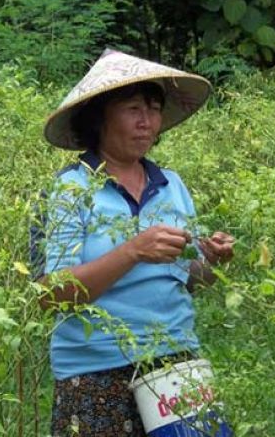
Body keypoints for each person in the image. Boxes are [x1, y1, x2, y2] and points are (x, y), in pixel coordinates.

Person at [37, 49, 235, 436]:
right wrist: (132, 251)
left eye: (154, 109)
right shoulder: (70, 189)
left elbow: (188, 278)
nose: (147, 122)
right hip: (96, 372)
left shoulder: (171, 184)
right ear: (100, 118)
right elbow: (49, 294)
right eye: (132, 109)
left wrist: (212, 260)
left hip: (176, 362)